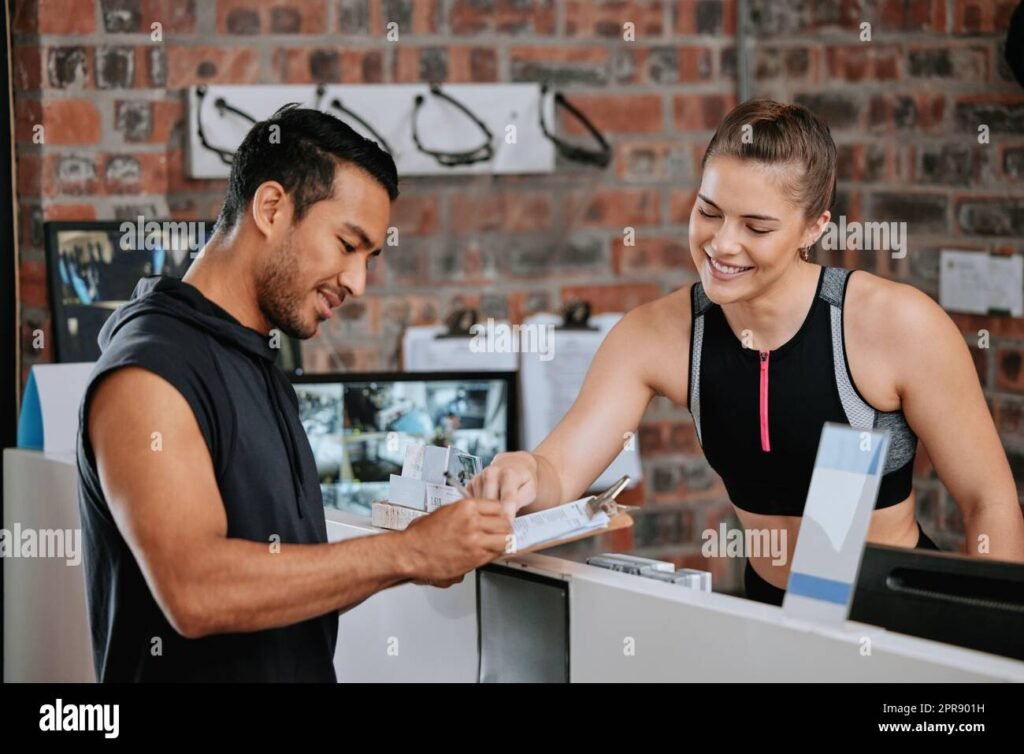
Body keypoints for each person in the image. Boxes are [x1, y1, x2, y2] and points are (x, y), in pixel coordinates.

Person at [469, 99, 1024, 606]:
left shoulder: (897, 324)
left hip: (897, 617)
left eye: (756, 227)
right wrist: (524, 471)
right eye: (709, 212)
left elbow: (988, 501)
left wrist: (988, 644)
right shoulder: (654, 335)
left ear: (813, 228)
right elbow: (559, 471)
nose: (722, 244)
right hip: (769, 614)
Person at [77, 105, 512, 682]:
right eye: (347, 244)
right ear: (272, 208)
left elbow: (286, 586)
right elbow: (195, 589)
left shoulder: (255, 359)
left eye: (370, 258)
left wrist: (418, 550)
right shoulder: (150, 371)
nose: (358, 281)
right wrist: (407, 552)